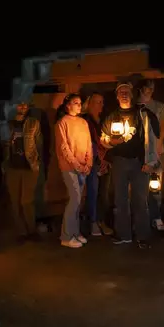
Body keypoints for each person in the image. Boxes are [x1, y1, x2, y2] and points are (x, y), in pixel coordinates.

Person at [101, 81, 160, 249]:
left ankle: (143, 236)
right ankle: (123, 234)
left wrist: (150, 162)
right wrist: (111, 141)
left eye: (127, 91)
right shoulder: (112, 116)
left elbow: (152, 138)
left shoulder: (142, 114)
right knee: (120, 200)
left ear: (132, 94)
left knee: (140, 200)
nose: (124, 94)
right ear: (117, 95)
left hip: (139, 162)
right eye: (121, 91)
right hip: (119, 161)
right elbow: (103, 138)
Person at [55, 93, 93, 248]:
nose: (78, 105)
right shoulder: (62, 123)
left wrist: (88, 164)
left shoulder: (83, 122)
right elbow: (64, 148)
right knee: (74, 199)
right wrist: (77, 165)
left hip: (83, 167)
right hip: (69, 168)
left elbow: (89, 144)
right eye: (75, 103)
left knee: (78, 202)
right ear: (67, 105)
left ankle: (75, 233)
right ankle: (66, 236)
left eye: (79, 102)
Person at [2, 101, 42, 242]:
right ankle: (21, 232)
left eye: (25, 105)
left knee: (27, 201)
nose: (23, 107)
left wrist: (38, 162)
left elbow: (39, 144)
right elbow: (1, 145)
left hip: (29, 167)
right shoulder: (8, 124)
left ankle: (31, 230)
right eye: (20, 104)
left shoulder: (33, 123)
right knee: (15, 201)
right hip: (12, 167)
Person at [137, 79, 164, 231]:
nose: (149, 90)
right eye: (146, 87)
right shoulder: (135, 106)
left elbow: (162, 128)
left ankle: (156, 217)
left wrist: (157, 145)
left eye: (152, 88)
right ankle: (141, 219)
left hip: (156, 152)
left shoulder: (159, 106)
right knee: (138, 188)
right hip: (139, 154)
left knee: (155, 186)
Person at [81, 93, 114, 236]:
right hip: (92, 162)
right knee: (92, 193)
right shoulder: (85, 121)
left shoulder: (104, 121)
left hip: (106, 161)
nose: (100, 105)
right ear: (89, 104)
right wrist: (97, 159)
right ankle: (93, 222)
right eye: (96, 102)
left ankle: (101, 221)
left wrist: (107, 159)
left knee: (103, 194)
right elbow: (88, 143)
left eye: (101, 102)